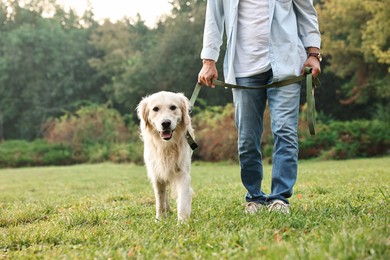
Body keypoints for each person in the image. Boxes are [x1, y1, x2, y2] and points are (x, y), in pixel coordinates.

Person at [198, 0, 321, 214]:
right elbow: (214, 17)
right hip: (243, 70)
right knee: (247, 139)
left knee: (285, 132)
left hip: (287, 64)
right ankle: (254, 197)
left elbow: (306, 12)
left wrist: (313, 54)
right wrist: (209, 60)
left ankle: (280, 198)